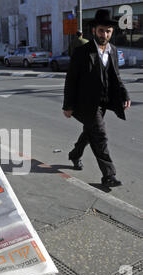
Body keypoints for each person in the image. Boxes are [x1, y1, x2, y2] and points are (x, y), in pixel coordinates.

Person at [63, 9, 131, 188]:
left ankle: (75, 154)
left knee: (90, 131)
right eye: (101, 30)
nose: (105, 34)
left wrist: (125, 95)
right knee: (100, 135)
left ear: (112, 32)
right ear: (94, 30)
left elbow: (116, 76)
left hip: (104, 102)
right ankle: (109, 175)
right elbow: (71, 80)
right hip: (86, 103)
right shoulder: (82, 52)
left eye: (108, 31)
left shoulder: (113, 51)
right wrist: (68, 105)